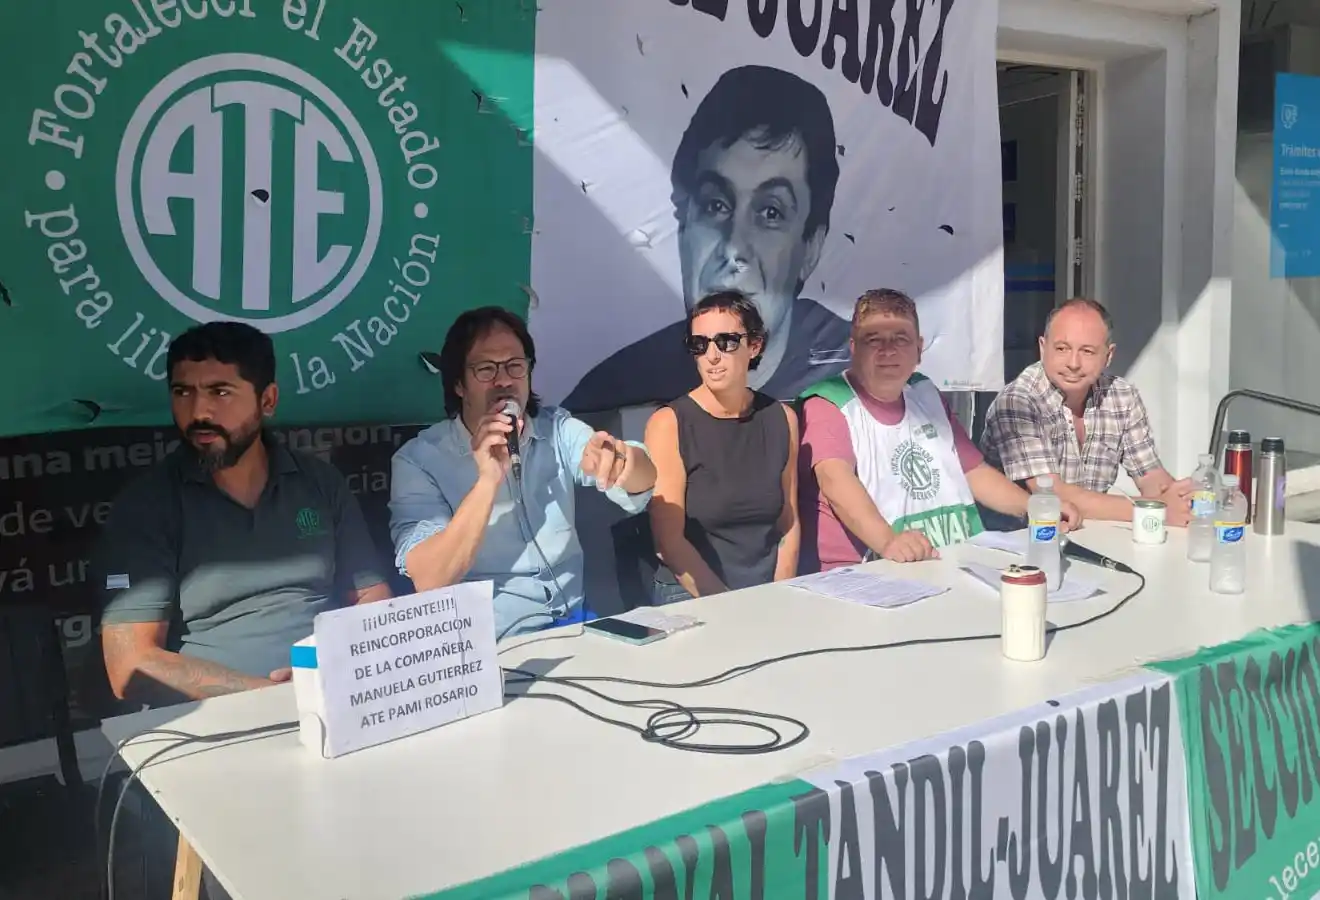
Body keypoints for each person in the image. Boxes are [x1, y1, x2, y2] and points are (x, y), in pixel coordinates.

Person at [96, 323, 391, 708]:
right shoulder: (146, 505)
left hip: (336, 699)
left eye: (220, 392)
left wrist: (338, 671)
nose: (199, 411)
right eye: (183, 392)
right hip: (216, 724)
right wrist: (273, 698)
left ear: (267, 400)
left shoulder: (319, 482)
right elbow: (130, 666)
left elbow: (371, 598)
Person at [564, 65, 852, 412]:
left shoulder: (856, 378)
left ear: (811, 247)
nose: (733, 247)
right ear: (682, 222)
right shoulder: (611, 393)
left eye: (770, 213)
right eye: (716, 205)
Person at [389, 307, 658, 638]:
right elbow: (429, 578)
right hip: (488, 642)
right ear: (458, 384)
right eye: (486, 369)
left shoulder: (556, 428)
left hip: (575, 624)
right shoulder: (418, 460)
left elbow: (643, 480)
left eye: (515, 366)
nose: (504, 381)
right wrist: (488, 481)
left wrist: (622, 461)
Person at [799, 289, 1081, 569]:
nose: (888, 350)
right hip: (866, 571)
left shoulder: (923, 392)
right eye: (874, 340)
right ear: (853, 348)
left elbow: (973, 471)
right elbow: (835, 480)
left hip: (946, 559)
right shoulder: (828, 403)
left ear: (919, 349)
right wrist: (888, 541)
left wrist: (1036, 509)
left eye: (901, 339)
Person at [979, 297, 1191, 525]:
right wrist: (1154, 510)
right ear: (1042, 347)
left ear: (1108, 356)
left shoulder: (1122, 396)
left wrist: (1181, 497)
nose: (1073, 363)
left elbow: (1149, 474)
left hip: (1090, 532)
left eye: (1087, 351)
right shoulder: (1018, 402)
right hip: (1013, 540)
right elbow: (1051, 495)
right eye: (1062, 348)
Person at [645, 291, 800, 602]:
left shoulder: (782, 418)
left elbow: (789, 521)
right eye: (699, 345)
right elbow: (669, 542)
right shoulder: (669, 424)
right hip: (692, 592)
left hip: (768, 590)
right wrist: (731, 607)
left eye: (726, 341)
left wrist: (781, 594)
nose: (712, 356)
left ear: (754, 346)